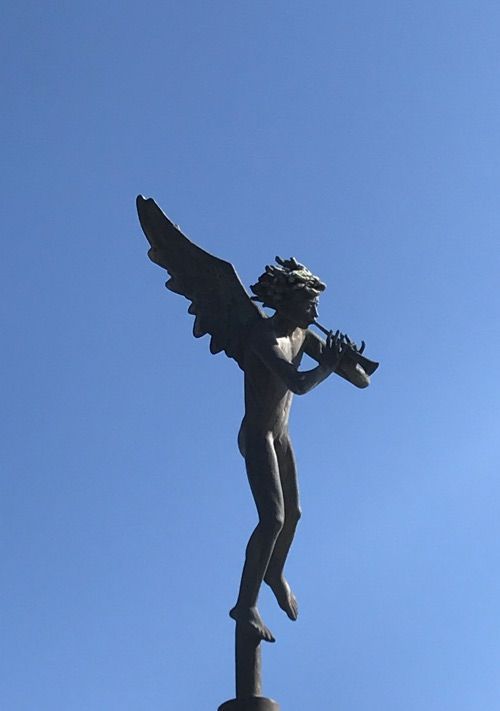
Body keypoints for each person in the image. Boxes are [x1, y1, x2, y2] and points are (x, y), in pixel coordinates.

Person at [229, 258, 370, 642]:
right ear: (288, 302)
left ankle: (274, 572)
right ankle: (246, 606)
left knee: (294, 514)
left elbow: (361, 382)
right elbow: (298, 383)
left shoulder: (303, 336)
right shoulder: (264, 337)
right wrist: (328, 365)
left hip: (281, 436)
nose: (316, 313)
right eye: (310, 304)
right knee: (272, 519)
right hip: (258, 435)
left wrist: (348, 358)